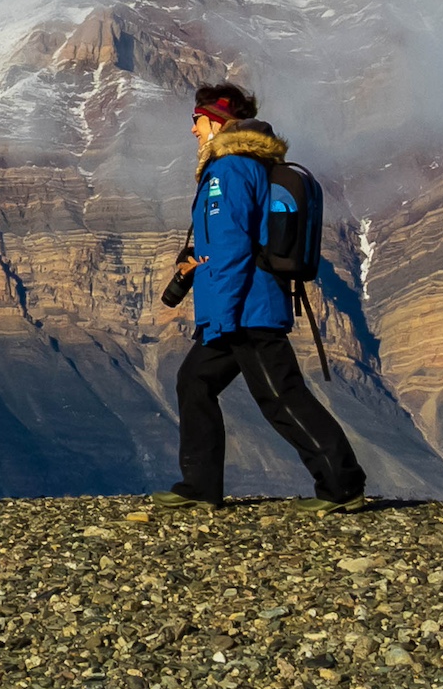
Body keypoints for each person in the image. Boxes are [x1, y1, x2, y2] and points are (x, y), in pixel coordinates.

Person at [154, 84, 367, 514]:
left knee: (280, 395)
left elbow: (233, 247)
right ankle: (199, 485)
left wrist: (226, 313)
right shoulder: (242, 167)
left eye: (197, 120)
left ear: (216, 121)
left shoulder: (230, 170)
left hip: (246, 309)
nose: (193, 130)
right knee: (194, 381)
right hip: (236, 307)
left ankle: (343, 486)